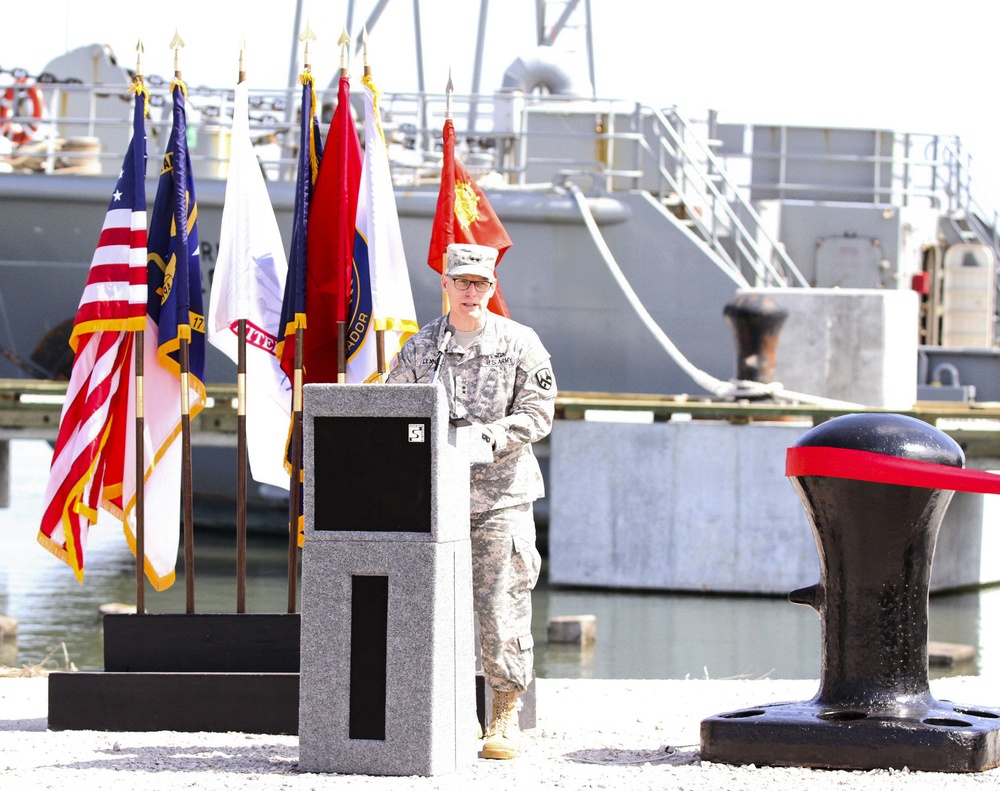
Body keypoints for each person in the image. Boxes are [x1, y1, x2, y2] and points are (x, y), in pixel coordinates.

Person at [387, 242, 556, 760]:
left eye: (480, 283)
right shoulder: (422, 348)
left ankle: (505, 715)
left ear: (492, 286)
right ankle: (434, 713)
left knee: (501, 606)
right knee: (426, 607)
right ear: (446, 284)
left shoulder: (520, 344)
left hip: (500, 498)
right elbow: (394, 406)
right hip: (434, 498)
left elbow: (539, 412)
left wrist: (491, 436)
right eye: (462, 282)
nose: (471, 291)